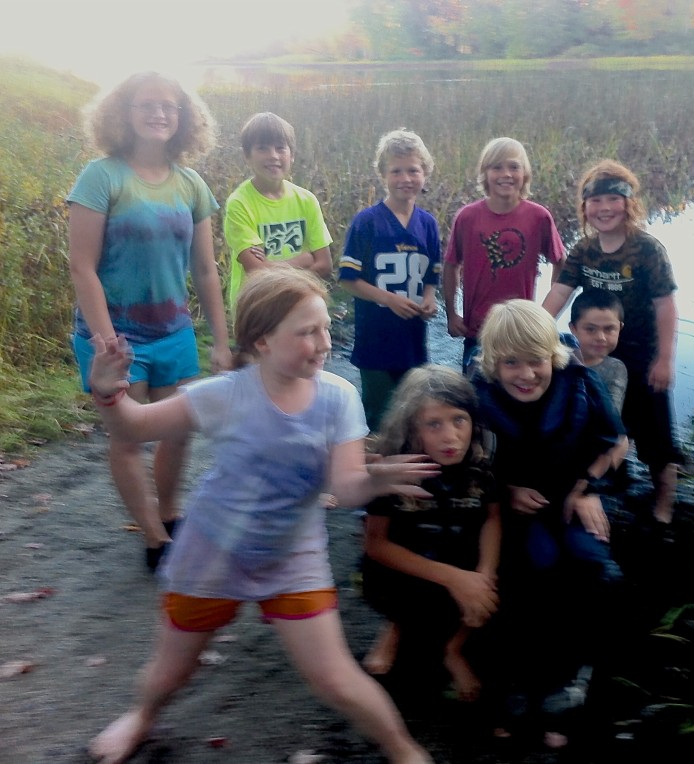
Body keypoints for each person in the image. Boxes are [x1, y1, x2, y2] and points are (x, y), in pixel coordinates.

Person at [85, 268, 436, 764]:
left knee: (335, 677)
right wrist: (107, 390)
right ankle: (142, 716)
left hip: (292, 558)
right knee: (170, 672)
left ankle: (403, 750)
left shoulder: (338, 396)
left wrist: (375, 482)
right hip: (211, 553)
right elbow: (135, 428)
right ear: (262, 341)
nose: (323, 342)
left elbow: (345, 487)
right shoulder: (225, 393)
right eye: (307, 331)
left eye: (325, 328)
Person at [67, 71, 232, 573]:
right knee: (129, 438)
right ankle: (155, 536)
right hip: (116, 336)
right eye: (147, 104)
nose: (159, 113)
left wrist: (221, 341)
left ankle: (170, 510)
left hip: (175, 332)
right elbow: (82, 266)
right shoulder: (102, 177)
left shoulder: (192, 184)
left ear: (184, 119)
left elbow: (205, 270)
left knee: (179, 431)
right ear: (124, 112)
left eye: (170, 106)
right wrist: (104, 343)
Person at [472, 299, 625, 748]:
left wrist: (588, 487)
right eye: (510, 363)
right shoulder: (476, 393)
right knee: (533, 567)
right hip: (513, 509)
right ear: (493, 364)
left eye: (535, 361)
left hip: (570, 498)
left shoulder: (579, 382)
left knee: (599, 570)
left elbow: (613, 441)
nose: (525, 374)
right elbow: (466, 460)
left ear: (553, 355)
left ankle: (576, 676)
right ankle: (517, 680)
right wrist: (505, 489)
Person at [542, 159, 682, 524]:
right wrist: (532, 330)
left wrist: (665, 359)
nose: (604, 209)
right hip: (595, 352)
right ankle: (606, 483)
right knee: (596, 424)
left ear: (628, 204)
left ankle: (664, 507)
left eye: (612, 200)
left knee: (656, 436)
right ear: (585, 208)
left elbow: (665, 305)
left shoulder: (648, 250)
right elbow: (559, 292)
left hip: (641, 355)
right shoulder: (584, 250)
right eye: (595, 201)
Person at [362, 364, 501, 702]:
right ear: (413, 428)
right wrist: (455, 579)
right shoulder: (394, 470)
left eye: (459, 420)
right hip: (410, 568)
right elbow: (376, 545)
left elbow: (493, 519)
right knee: (388, 586)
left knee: (505, 581)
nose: (451, 436)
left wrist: (484, 575)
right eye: (434, 424)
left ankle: (454, 648)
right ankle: (395, 626)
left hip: (462, 557)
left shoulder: (483, 462)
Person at [339, 129, 441, 431]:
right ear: (383, 174)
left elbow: (431, 273)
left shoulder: (428, 224)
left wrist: (430, 298)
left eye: (413, 170)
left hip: (412, 342)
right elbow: (348, 279)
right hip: (376, 343)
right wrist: (388, 299)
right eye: (396, 171)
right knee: (381, 418)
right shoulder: (366, 222)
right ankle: (380, 474)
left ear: (425, 173)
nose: (406, 178)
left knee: (415, 416)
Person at [442, 137, 565, 374]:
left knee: (520, 394)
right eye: (496, 167)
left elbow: (561, 263)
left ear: (525, 174)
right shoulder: (467, 217)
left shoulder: (538, 217)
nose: (505, 174)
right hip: (477, 330)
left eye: (513, 167)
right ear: (485, 173)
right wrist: (451, 313)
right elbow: (451, 265)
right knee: (477, 397)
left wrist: (545, 314)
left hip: (520, 330)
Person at [223, 111, 333, 313]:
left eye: (280, 148)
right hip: (257, 309)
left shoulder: (306, 200)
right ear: (247, 156)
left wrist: (273, 266)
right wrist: (304, 260)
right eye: (262, 148)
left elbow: (325, 265)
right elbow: (257, 272)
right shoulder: (240, 203)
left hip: (300, 305)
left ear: (292, 156)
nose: (273, 156)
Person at [568, 288, 627, 416]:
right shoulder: (557, 358)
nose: (601, 337)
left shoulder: (615, 368)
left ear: (620, 328)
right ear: (573, 328)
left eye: (609, 329)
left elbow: (611, 415)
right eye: (590, 329)